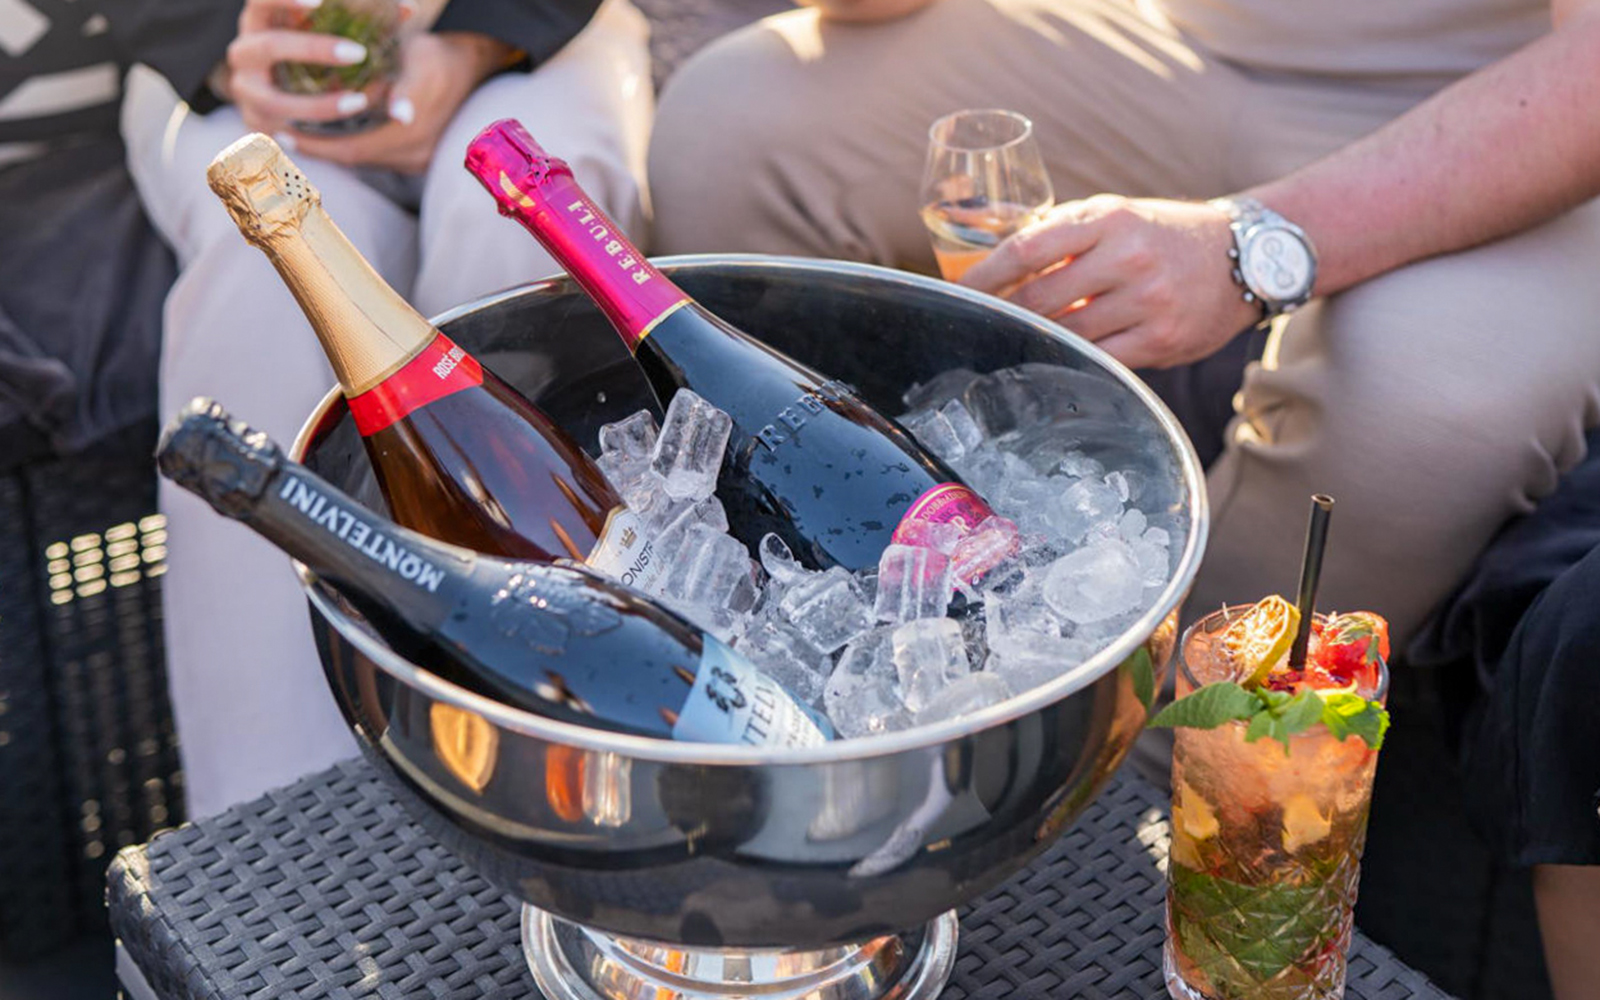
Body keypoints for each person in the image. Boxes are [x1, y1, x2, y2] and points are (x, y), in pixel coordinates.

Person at [643, 0, 1600, 992]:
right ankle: (810, 662)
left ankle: (1119, 791)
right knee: (732, 123)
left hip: (1510, 102)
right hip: (1181, 38)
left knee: (1418, 406)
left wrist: (1251, 244)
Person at [121, 0, 654, 819]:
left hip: (534, 43)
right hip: (222, 72)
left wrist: (481, 38)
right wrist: (235, 54)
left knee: (511, 237)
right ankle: (274, 847)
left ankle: (576, 776)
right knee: (258, 287)